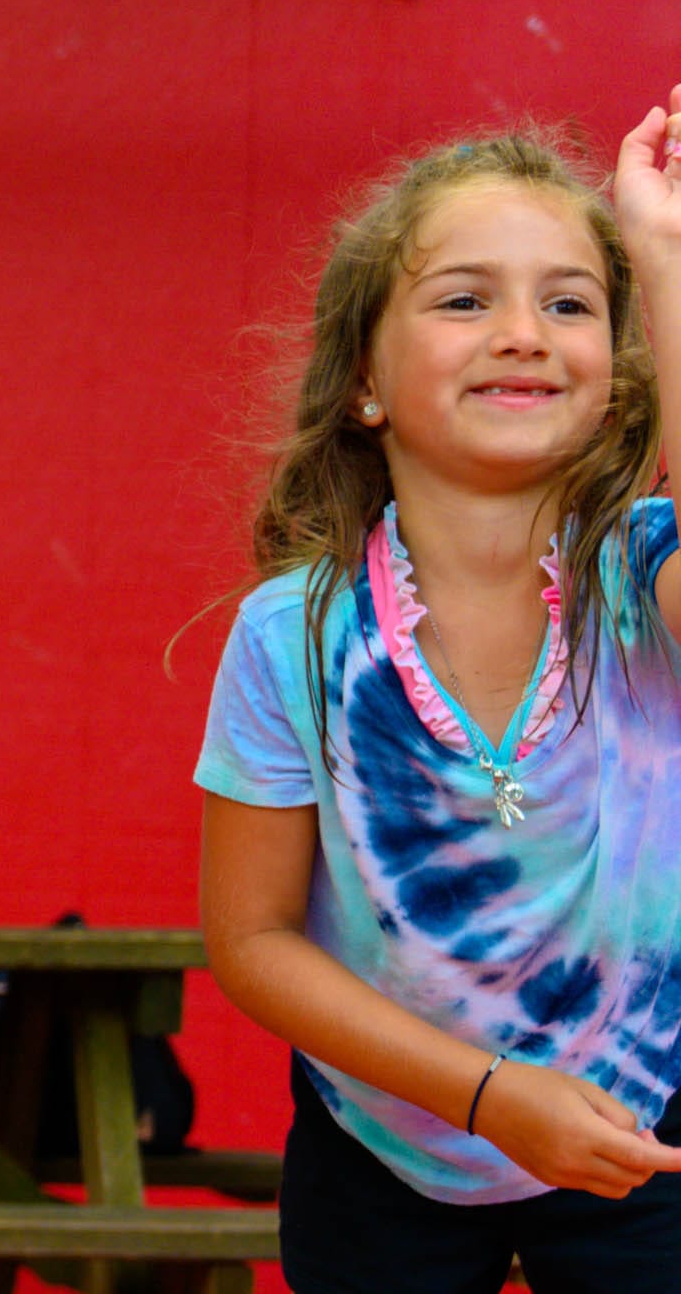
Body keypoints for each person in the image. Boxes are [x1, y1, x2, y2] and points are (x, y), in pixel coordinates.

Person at [198, 102, 681, 1291]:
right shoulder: (290, 636)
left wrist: (661, 264)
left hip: (649, 1129)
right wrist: (485, 1094)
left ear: (620, 380)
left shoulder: (648, 581)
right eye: (467, 299)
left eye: (570, 303)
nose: (523, 332)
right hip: (383, 1145)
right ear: (363, 377)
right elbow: (251, 939)